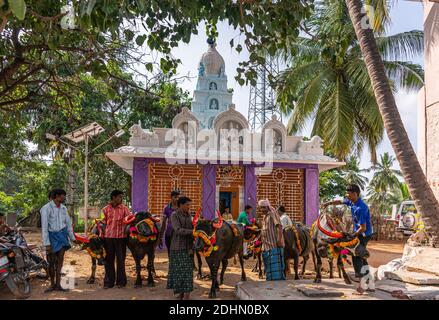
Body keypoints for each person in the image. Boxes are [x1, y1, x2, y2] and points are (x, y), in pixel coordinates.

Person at [322, 184, 374, 294]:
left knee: (356, 257)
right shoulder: (352, 202)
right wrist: (328, 203)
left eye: (349, 194)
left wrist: (353, 235)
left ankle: (362, 286)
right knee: (362, 256)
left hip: (364, 234)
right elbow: (341, 201)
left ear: (355, 194)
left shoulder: (361, 208)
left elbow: (363, 228)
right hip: (358, 232)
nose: (347, 196)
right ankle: (369, 283)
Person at [40, 188, 75, 292]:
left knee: (60, 261)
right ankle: (52, 285)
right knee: (51, 262)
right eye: (63, 196)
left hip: (62, 236)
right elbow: (44, 227)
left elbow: (68, 225)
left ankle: (58, 284)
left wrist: (72, 238)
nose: (64, 197)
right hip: (51, 237)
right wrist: (47, 243)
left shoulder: (64, 208)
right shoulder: (46, 208)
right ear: (57, 196)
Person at [101, 190, 133, 289]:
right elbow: (102, 223)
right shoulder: (105, 209)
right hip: (108, 238)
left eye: (121, 197)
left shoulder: (125, 209)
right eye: (119, 197)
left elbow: (129, 221)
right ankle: (108, 282)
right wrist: (102, 235)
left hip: (121, 238)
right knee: (109, 260)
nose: (121, 199)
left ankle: (121, 282)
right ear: (113, 197)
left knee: (121, 260)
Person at [166, 196, 194, 300]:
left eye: (189, 205)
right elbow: (178, 230)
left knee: (187, 272)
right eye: (187, 205)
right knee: (179, 272)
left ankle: (186, 295)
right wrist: (192, 232)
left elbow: (192, 228)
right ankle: (181, 294)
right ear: (181, 205)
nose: (189, 207)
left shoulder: (189, 215)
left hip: (188, 248)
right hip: (177, 247)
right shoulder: (174, 215)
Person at [258, 199, 285, 281]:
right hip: (266, 246)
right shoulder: (264, 216)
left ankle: (277, 284)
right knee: (268, 268)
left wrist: (279, 239)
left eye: (264, 208)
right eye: (261, 208)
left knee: (275, 268)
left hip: (274, 245)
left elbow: (279, 226)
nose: (262, 209)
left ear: (268, 207)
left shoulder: (273, 213)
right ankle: (270, 282)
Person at [159, 190, 180, 257]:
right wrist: (160, 237)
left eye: (178, 197)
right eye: (175, 197)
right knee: (170, 252)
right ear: (171, 198)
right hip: (169, 233)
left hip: (179, 234)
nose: (177, 199)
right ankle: (171, 266)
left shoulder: (181, 208)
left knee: (178, 252)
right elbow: (164, 223)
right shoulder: (166, 208)